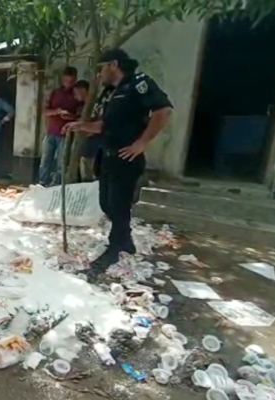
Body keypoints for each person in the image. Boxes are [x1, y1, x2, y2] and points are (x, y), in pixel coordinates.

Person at [63, 49, 172, 280]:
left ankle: (116, 248)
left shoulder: (139, 84)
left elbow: (163, 110)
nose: (100, 74)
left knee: (119, 205)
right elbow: (103, 125)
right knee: (106, 204)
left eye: (102, 68)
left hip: (126, 157)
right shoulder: (110, 93)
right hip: (107, 155)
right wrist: (80, 125)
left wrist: (142, 143)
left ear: (114, 64)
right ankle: (126, 240)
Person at [39, 67, 80, 186]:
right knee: (45, 159)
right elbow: (45, 111)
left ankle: (57, 186)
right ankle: (41, 183)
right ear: (62, 79)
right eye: (66, 81)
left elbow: (80, 115)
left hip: (66, 133)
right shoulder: (54, 93)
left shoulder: (76, 94)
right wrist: (57, 111)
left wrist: (70, 116)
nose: (68, 84)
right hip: (51, 131)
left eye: (71, 82)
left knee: (61, 162)